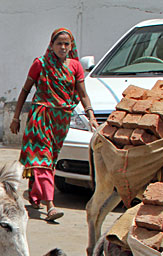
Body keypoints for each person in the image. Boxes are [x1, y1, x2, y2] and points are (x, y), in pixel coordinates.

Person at [10, 28, 98, 222]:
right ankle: (50, 205)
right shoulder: (40, 64)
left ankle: (35, 191)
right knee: (43, 159)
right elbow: (25, 91)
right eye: (59, 44)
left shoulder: (75, 66)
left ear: (71, 46)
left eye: (67, 44)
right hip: (40, 116)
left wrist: (90, 115)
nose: (63, 47)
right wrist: (16, 118)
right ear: (51, 45)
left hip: (61, 120)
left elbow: (82, 94)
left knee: (49, 160)